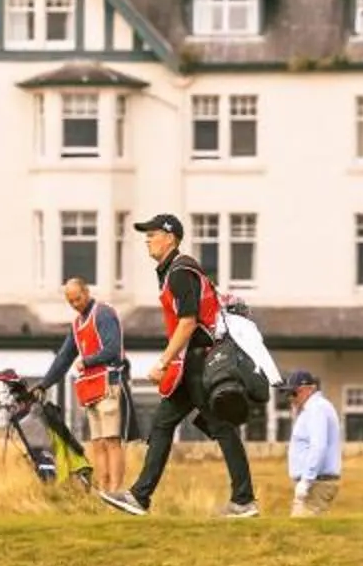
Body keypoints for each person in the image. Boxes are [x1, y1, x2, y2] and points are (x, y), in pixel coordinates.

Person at [99, 214, 259, 520]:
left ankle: (243, 500)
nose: (147, 239)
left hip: (198, 362)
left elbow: (188, 322)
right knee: (168, 425)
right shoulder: (175, 270)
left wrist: (163, 362)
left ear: (170, 238)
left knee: (215, 428)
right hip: (195, 361)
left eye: (152, 234)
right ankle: (141, 496)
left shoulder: (179, 272)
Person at [40, 275, 133, 495]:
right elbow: (64, 356)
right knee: (97, 442)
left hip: (109, 385)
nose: (75, 304)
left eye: (78, 299)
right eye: (70, 301)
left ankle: (115, 490)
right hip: (90, 389)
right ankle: (102, 489)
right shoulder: (77, 323)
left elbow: (113, 349)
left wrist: (87, 361)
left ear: (87, 293)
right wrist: (44, 384)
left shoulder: (103, 313)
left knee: (111, 440)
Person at [284, 370, 343, 517]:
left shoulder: (317, 408)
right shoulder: (309, 410)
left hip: (316, 483)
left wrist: (306, 480)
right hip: (313, 482)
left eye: (294, 393)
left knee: (301, 531)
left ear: (308, 389)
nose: (291, 398)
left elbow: (318, 446)